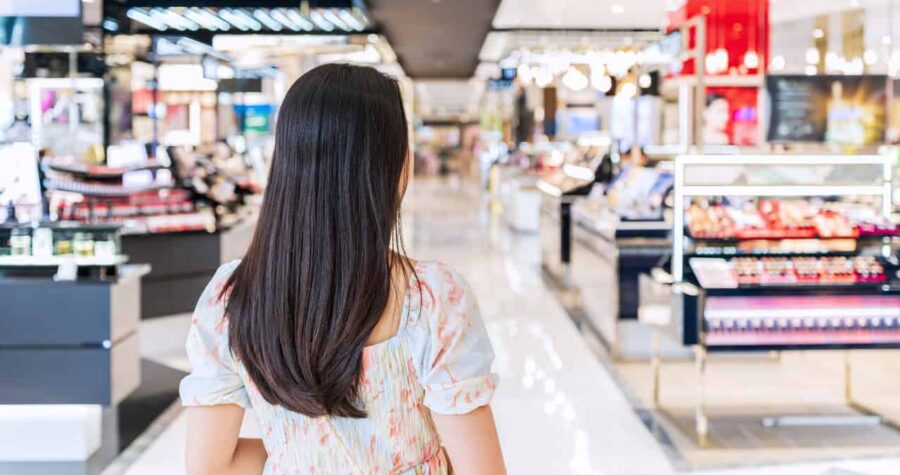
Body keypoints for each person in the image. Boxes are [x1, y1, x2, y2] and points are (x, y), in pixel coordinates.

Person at [179, 63, 505, 475]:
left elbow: (210, 469)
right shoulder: (434, 298)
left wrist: (301, 450)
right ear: (396, 168)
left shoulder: (230, 297)